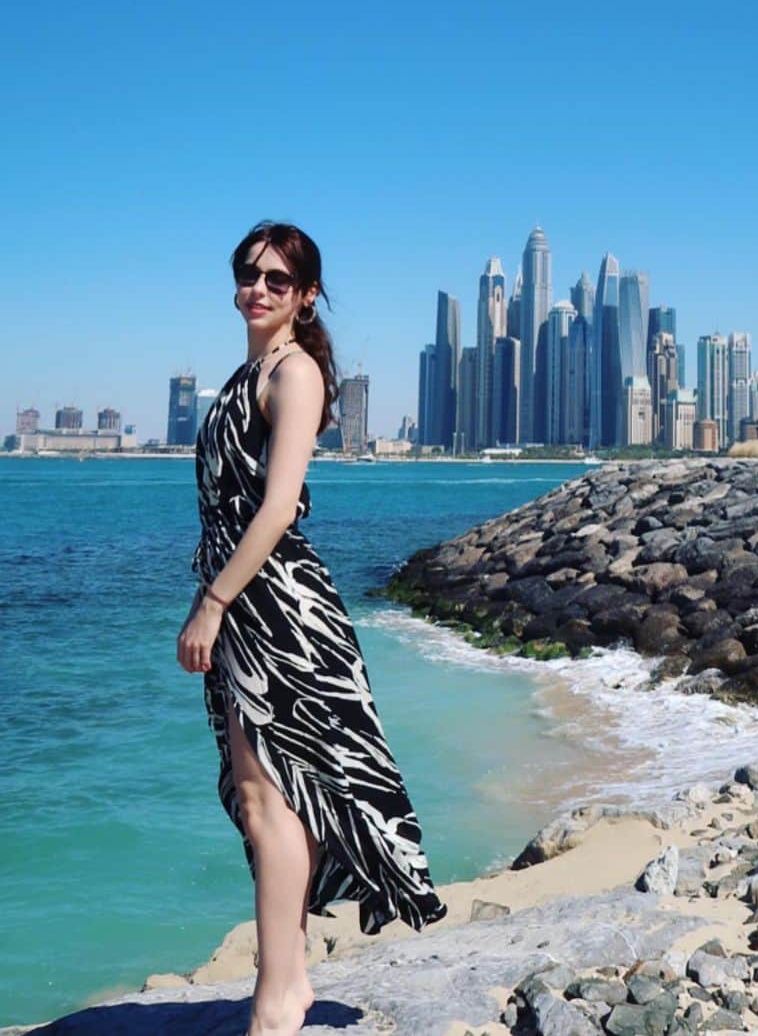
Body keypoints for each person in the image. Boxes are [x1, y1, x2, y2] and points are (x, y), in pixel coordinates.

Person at [178, 220, 448, 1036]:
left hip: (276, 608)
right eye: (247, 274)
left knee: (273, 799)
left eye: (275, 279)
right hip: (250, 603)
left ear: (304, 294)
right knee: (270, 797)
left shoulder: (294, 374)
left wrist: (214, 603)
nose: (256, 289)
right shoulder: (249, 370)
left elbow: (278, 507)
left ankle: (278, 998)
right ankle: (285, 982)